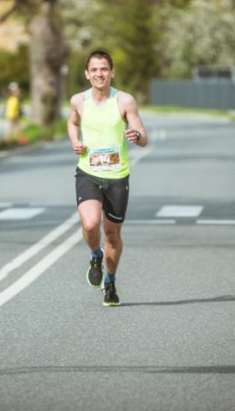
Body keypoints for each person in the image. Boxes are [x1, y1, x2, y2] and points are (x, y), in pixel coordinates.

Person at [67, 50, 148, 307]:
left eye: (104, 69)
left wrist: (136, 136)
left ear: (111, 72)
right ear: (87, 73)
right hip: (88, 172)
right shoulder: (79, 101)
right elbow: (72, 123)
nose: (99, 74)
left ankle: (110, 281)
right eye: (94, 70)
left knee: (112, 234)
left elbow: (143, 137)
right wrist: (75, 141)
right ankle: (94, 255)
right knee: (90, 225)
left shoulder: (124, 101)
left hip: (117, 176)